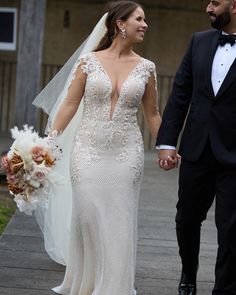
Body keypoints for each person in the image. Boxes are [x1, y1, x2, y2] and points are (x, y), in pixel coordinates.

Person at [34, 1, 161, 294]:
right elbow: (69, 103)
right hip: (88, 151)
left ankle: (114, 287)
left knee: (119, 220)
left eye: (145, 20)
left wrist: (167, 147)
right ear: (120, 24)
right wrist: (50, 141)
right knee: (89, 217)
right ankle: (89, 283)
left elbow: (152, 114)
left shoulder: (146, 68)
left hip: (126, 154)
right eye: (139, 19)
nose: (145, 25)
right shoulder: (89, 61)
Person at [156, 0, 236, 294]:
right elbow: (180, 93)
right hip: (196, 148)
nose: (208, 8)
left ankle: (224, 289)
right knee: (186, 219)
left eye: (215, 2)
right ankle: (188, 274)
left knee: (231, 230)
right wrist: (167, 142)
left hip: (234, 155)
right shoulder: (198, 42)